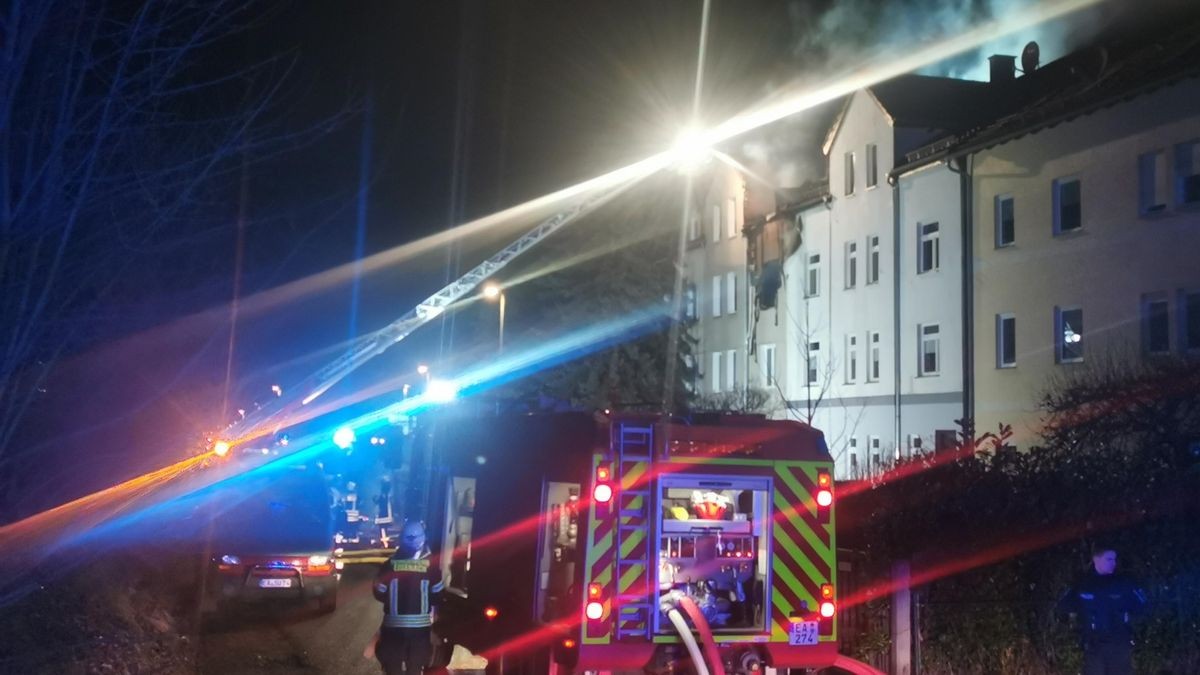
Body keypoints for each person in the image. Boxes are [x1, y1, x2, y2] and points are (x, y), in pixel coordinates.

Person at [1057, 542, 1147, 675]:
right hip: (1094, 646)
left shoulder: (1123, 583)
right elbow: (1064, 605)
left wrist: (1125, 616)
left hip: (1119, 645)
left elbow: (1143, 606)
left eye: (1114, 559)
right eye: (1109, 559)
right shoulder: (1083, 584)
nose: (1113, 563)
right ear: (1096, 560)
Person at [371, 520, 443, 674]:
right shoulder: (432, 566)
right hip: (420, 631)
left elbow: (379, 592)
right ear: (423, 539)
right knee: (415, 669)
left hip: (393, 630)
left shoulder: (389, 565)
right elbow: (438, 595)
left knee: (392, 669)